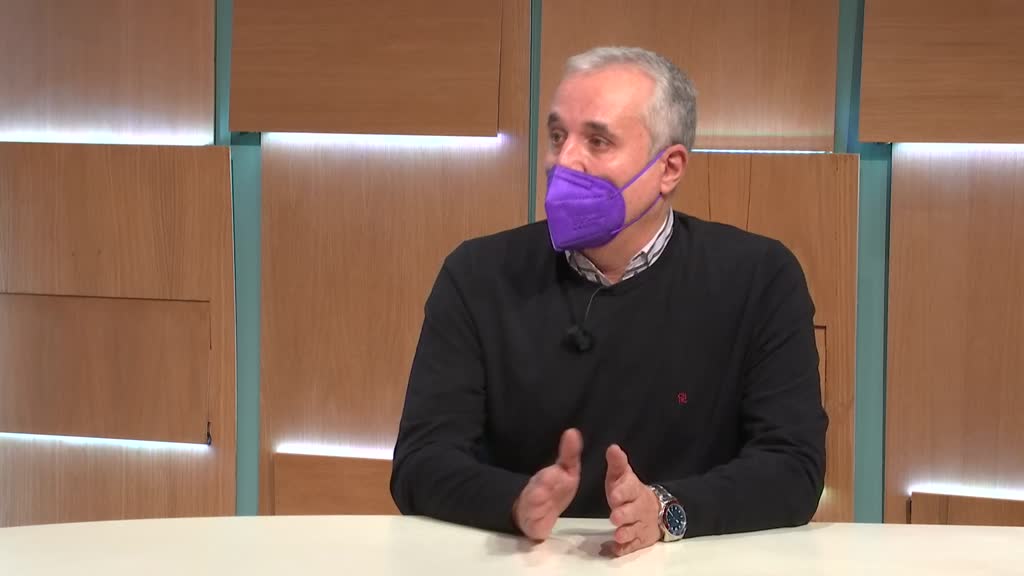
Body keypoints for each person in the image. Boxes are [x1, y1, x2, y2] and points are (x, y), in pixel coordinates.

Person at [390, 46, 827, 557]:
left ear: (669, 168)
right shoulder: (477, 274)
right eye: (558, 136)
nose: (563, 161)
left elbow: (793, 468)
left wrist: (664, 510)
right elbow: (421, 462)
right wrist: (515, 502)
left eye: (597, 141)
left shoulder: (759, 277)